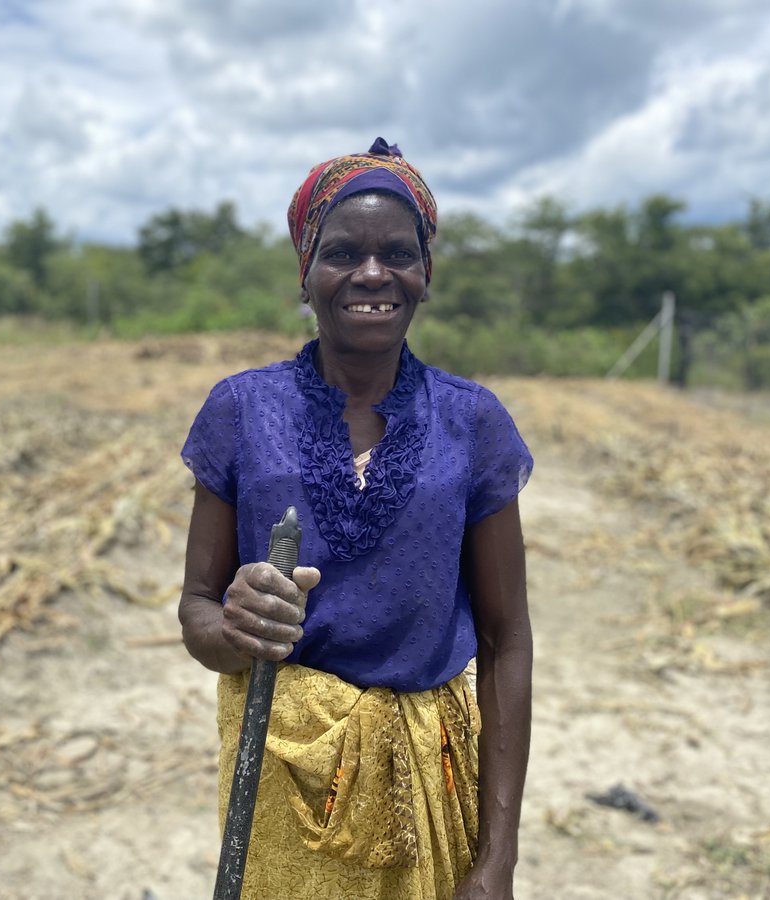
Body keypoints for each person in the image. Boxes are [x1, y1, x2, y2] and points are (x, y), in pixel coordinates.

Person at [179, 138, 533, 900]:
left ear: (425, 274)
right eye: (342, 253)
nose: (373, 275)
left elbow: (507, 642)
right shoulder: (241, 412)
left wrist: (498, 858)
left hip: (429, 776)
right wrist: (236, 627)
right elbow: (198, 618)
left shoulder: (472, 424)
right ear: (305, 275)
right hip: (281, 775)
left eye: (397, 254)